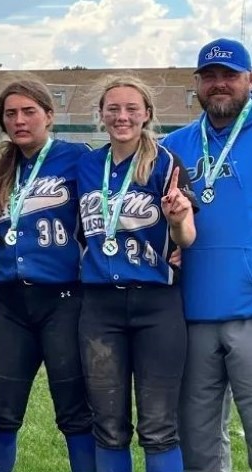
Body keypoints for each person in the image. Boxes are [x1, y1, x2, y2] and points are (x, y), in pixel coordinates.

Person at [77, 74, 196, 471]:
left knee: (159, 425)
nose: (122, 116)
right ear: (101, 115)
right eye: (113, 108)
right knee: (108, 425)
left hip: (156, 304)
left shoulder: (166, 163)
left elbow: (188, 238)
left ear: (147, 114)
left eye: (131, 108)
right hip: (99, 307)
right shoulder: (87, 166)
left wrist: (178, 220)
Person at [0, 78, 95, 472]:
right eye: (10, 114)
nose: (19, 120)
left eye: (29, 111)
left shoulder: (79, 158)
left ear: (49, 114)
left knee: (75, 413)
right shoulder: (4, 168)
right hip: (11, 303)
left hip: (63, 301)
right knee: (1, 411)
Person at [161, 37, 252, 472]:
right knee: (198, 441)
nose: (220, 85)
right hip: (192, 312)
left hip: (249, 312)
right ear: (197, 83)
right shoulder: (173, 146)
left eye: (230, 76)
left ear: (248, 80)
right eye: (210, 76)